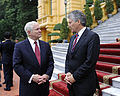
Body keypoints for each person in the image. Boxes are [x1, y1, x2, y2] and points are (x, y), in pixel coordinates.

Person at [13, 21, 54, 96]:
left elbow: (50, 63)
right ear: (29, 32)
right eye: (37, 29)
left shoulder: (46, 45)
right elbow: (17, 65)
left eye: (39, 29)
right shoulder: (19, 46)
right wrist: (31, 77)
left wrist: (47, 75)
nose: (40, 30)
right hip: (28, 88)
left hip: (43, 87)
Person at [65, 10, 100, 96]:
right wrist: (68, 73)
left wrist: (75, 77)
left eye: (70, 22)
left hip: (84, 84)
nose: (68, 25)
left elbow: (90, 62)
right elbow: (68, 57)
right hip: (71, 84)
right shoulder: (73, 37)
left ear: (78, 21)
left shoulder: (92, 36)